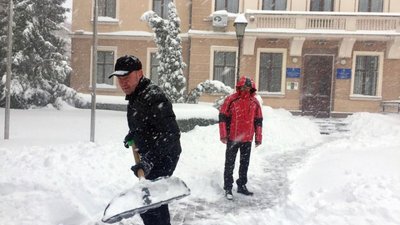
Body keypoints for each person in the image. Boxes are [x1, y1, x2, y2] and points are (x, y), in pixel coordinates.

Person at [109, 55, 182, 225]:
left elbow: (171, 134)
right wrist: (133, 134)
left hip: (165, 155)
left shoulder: (154, 97)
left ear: (139, 73)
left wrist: (148, 161)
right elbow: (143, 123)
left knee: (150, 204)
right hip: (151, 152)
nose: (123, 83)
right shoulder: (136, 94)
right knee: (152, 202)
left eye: (126, 77)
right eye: (120, 79)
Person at [218, 76, 263, 200]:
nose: (246, 89)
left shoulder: (255, 102)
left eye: (248, 87)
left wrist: (258, 137)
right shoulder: (231, 100)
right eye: (244, 87)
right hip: (233, 138)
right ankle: (228, 187)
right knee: (229, 164)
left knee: (245, 163)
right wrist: (223, 135)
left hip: (247, 139)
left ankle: (241, 185)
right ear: (239, 87)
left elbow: (258, 120)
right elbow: (222, 117)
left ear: (251, 88)